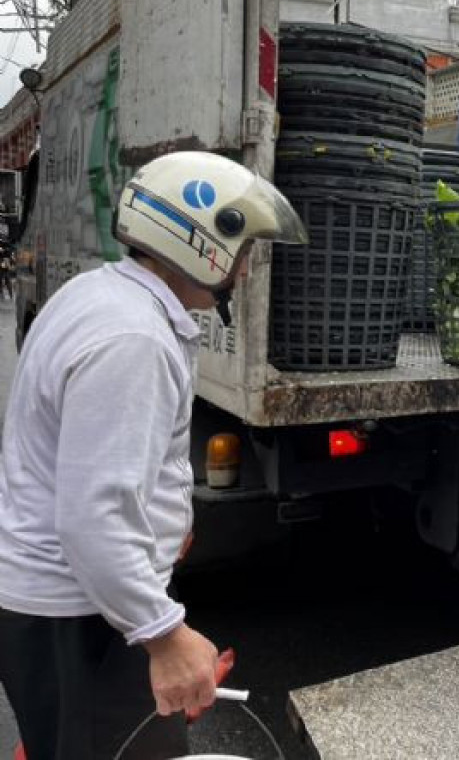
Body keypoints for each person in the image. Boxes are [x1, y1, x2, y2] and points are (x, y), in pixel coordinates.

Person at [0, 151, 307, 759]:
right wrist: (165, 636)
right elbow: (94, 517)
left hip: (74, 607)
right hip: (78, 616)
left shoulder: (101, 294)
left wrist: (165, 531)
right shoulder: (133, 339)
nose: (245, 271)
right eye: (243, 250)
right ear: (203, 243)